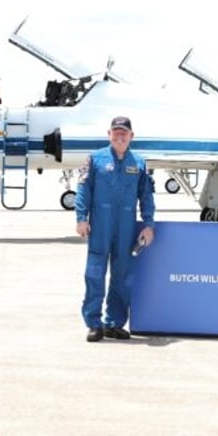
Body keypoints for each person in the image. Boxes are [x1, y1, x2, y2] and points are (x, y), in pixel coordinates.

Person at [75, 116, 156, 342]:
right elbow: (83, 190)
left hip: (126, 227)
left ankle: (114, 323)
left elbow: (146, 197)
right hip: (101, 224)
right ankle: (94, 323)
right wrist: (81, 218)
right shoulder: (95, 159)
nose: (120, 136)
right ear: (109, 134)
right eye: (116, 132)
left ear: (132, 136)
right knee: (94, 273)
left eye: (124, 133)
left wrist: (149, 225)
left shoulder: (139, 164)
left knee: (123, 276)